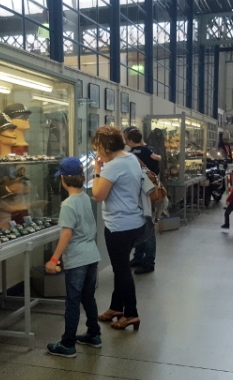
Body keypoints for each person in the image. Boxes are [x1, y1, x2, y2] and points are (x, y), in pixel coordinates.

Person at [45, 157, 102, 358]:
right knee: (88, 297)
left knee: (72, 302)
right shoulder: (85, 197)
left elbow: (67, 234)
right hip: (92, 254)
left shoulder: (68, 205)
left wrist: (54, 260)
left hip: (77, 259)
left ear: (62, 179)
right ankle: (94, 334)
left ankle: (68, 343)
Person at [92, 125, 144, 330]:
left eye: (98, 148)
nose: (97, 153)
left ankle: (131, 313)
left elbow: (98, 195)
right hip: (134, 222)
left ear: (105, 146)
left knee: (122, 271)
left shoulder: (112, 167)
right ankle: (116, 307)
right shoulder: (130, 158)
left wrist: (97, 172)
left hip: (119, 226)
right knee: (120, 268)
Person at [125, 128, 161, 275]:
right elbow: (157, 159)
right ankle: (139, 258)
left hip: (146, 194)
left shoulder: (130, 155)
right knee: (142, 228)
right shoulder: (148, 150)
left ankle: (148, 261)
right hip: (148, 192)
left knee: (148, 229)